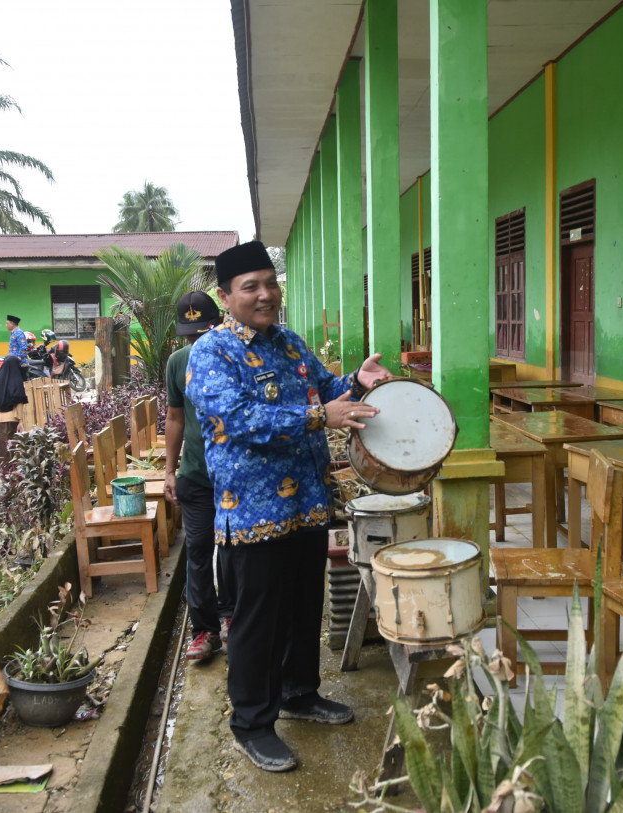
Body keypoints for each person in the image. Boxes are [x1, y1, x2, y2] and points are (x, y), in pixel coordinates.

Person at [186, 241, 391, 773]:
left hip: (307, 503)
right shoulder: (212, 352)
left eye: (269, 283)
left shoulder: (290, 343)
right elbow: (239, 417)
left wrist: (357, 382)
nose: (265, 294)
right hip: (252, 513)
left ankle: (300, 694)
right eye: (250, 286)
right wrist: (322, 416)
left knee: (304, 606)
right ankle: (252, 722)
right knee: (258, 622)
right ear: (225, 296)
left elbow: (326, 391)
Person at [164, 291, 233, 662]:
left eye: (202, 332)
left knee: (237, 549)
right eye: (190, 336)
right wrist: (168, 470)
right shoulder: (177, 363)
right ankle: (204, 630)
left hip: (237, 476)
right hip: (195, 474)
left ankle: (232, 616)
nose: (197, 342)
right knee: (199, 552)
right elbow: (174, 418)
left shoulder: (235, 355)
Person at [0, 350, 29, 462]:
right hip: (11, 419)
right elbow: (19, 402)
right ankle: (9, 472)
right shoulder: (16, 381)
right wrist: (20, 421)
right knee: (10, 447)